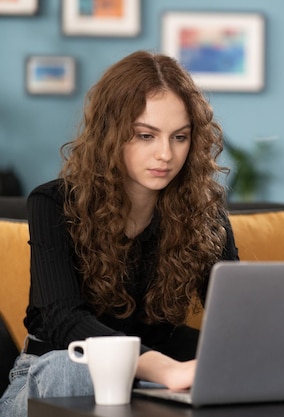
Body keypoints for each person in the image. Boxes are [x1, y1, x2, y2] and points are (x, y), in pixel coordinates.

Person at [0, 50, 239, 417]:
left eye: (179, 137)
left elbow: (234, 317)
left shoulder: (205, 215)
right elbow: (64, 320)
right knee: (71, 368)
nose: (165, 154)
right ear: (111, 134)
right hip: (49, 380)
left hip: (149, 387)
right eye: (146, 135)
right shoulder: (52, 203)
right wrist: (162, 367)